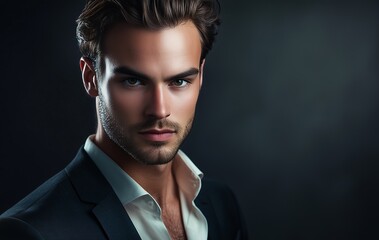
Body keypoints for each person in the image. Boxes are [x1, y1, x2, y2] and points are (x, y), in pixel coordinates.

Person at [0, 0, 248, 239]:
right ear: (91, 78)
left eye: (179, 81)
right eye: (134, 81)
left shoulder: (221, 205)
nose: (159, 110)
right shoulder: (31, 231)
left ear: (201, 76)